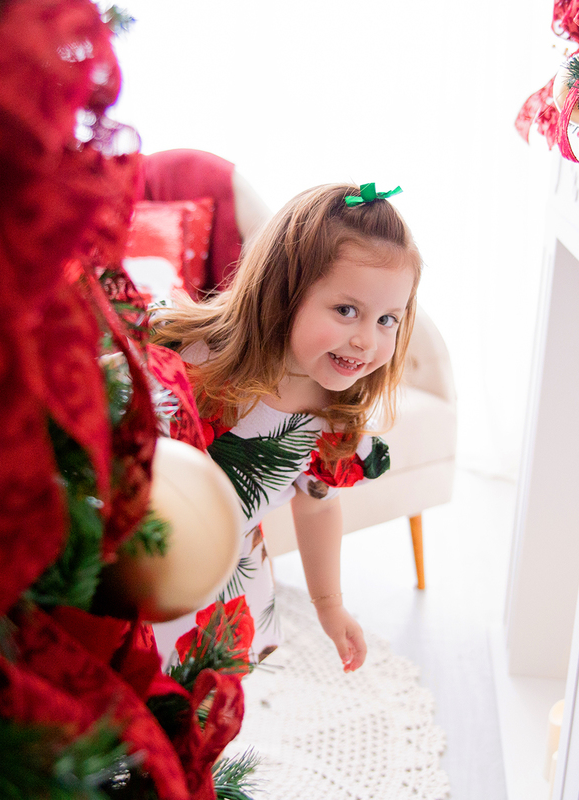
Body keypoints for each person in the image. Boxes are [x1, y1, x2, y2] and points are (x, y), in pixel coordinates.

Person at [151, 182, 421, 673]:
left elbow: (317, 507)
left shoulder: (330, 422)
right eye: (346, 311)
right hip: (139, 560)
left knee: (201, 701)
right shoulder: (194, 362)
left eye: (387, 320)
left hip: (223, 587)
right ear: (284, 293)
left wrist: (329, 605)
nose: (366, 340)